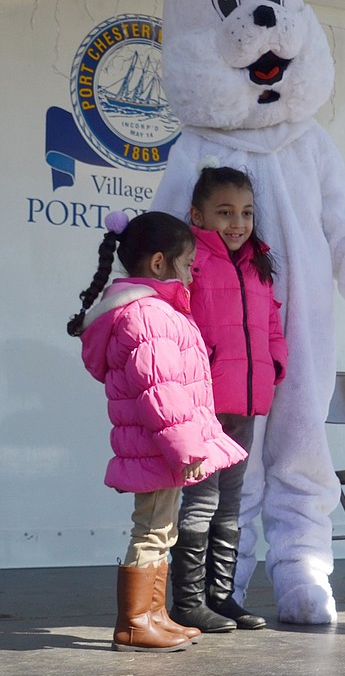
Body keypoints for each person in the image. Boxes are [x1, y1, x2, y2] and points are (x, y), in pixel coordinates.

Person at [67, 210, 247, 652]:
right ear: (160, 263)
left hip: (158, 449)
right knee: (150, 530)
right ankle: (133, 624)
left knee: (161, 530)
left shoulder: (155, 310)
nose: (191, 274)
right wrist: (187, 448)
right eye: (188, 264)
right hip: (160, 448)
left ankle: (153, 615)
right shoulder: (148, 315)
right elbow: (159, 391)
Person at [169, 163, 288, 633]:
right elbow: (177, 323)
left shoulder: (259, 263)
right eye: (225, 212)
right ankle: (188, 601)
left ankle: (221, 596)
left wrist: (274, 363)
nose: (237, 223)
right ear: (198, 215)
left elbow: (272, 321)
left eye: (246, 213)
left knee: (232, 500)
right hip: (204, 402)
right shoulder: (191, 259)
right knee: (202, 497)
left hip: (246, 399)